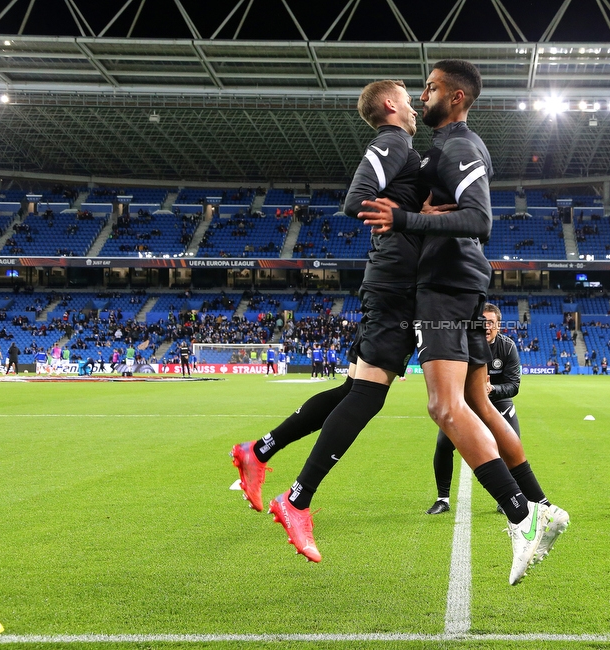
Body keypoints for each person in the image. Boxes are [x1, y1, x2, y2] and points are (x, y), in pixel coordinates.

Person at [359, 60, 567, 584]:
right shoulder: (442, 150)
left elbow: (480, 218)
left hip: (448, 287)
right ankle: (543, 504)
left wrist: (405, 218)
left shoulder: (461, 145)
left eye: (428, 88)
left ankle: (524, 516)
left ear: (454, 97)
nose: (422, 95)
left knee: (442, 405)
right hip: (455, 284)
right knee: (477, 403)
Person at [232, 78, 425, 556]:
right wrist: (404, 221)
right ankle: (298, 500)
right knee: (368, 397)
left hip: (394, 284)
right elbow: (357, 198)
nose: (415, 105)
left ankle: (258, 450)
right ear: (389, 104)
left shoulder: (400, 145)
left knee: (352, 390)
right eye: (407, 97)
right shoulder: (393, 139)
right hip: (394, 285)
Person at [426, 302, 520, 515]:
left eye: (490, 323)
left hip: (496, 402)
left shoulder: (507, 347)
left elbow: (513, 385)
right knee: (443, 444)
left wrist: (491, 388)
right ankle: (442, 498)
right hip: (464, 401)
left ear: (498, 326)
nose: (486, 327)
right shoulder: (461, 346)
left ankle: (508, 499)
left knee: (512, 446)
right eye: (482, 322)